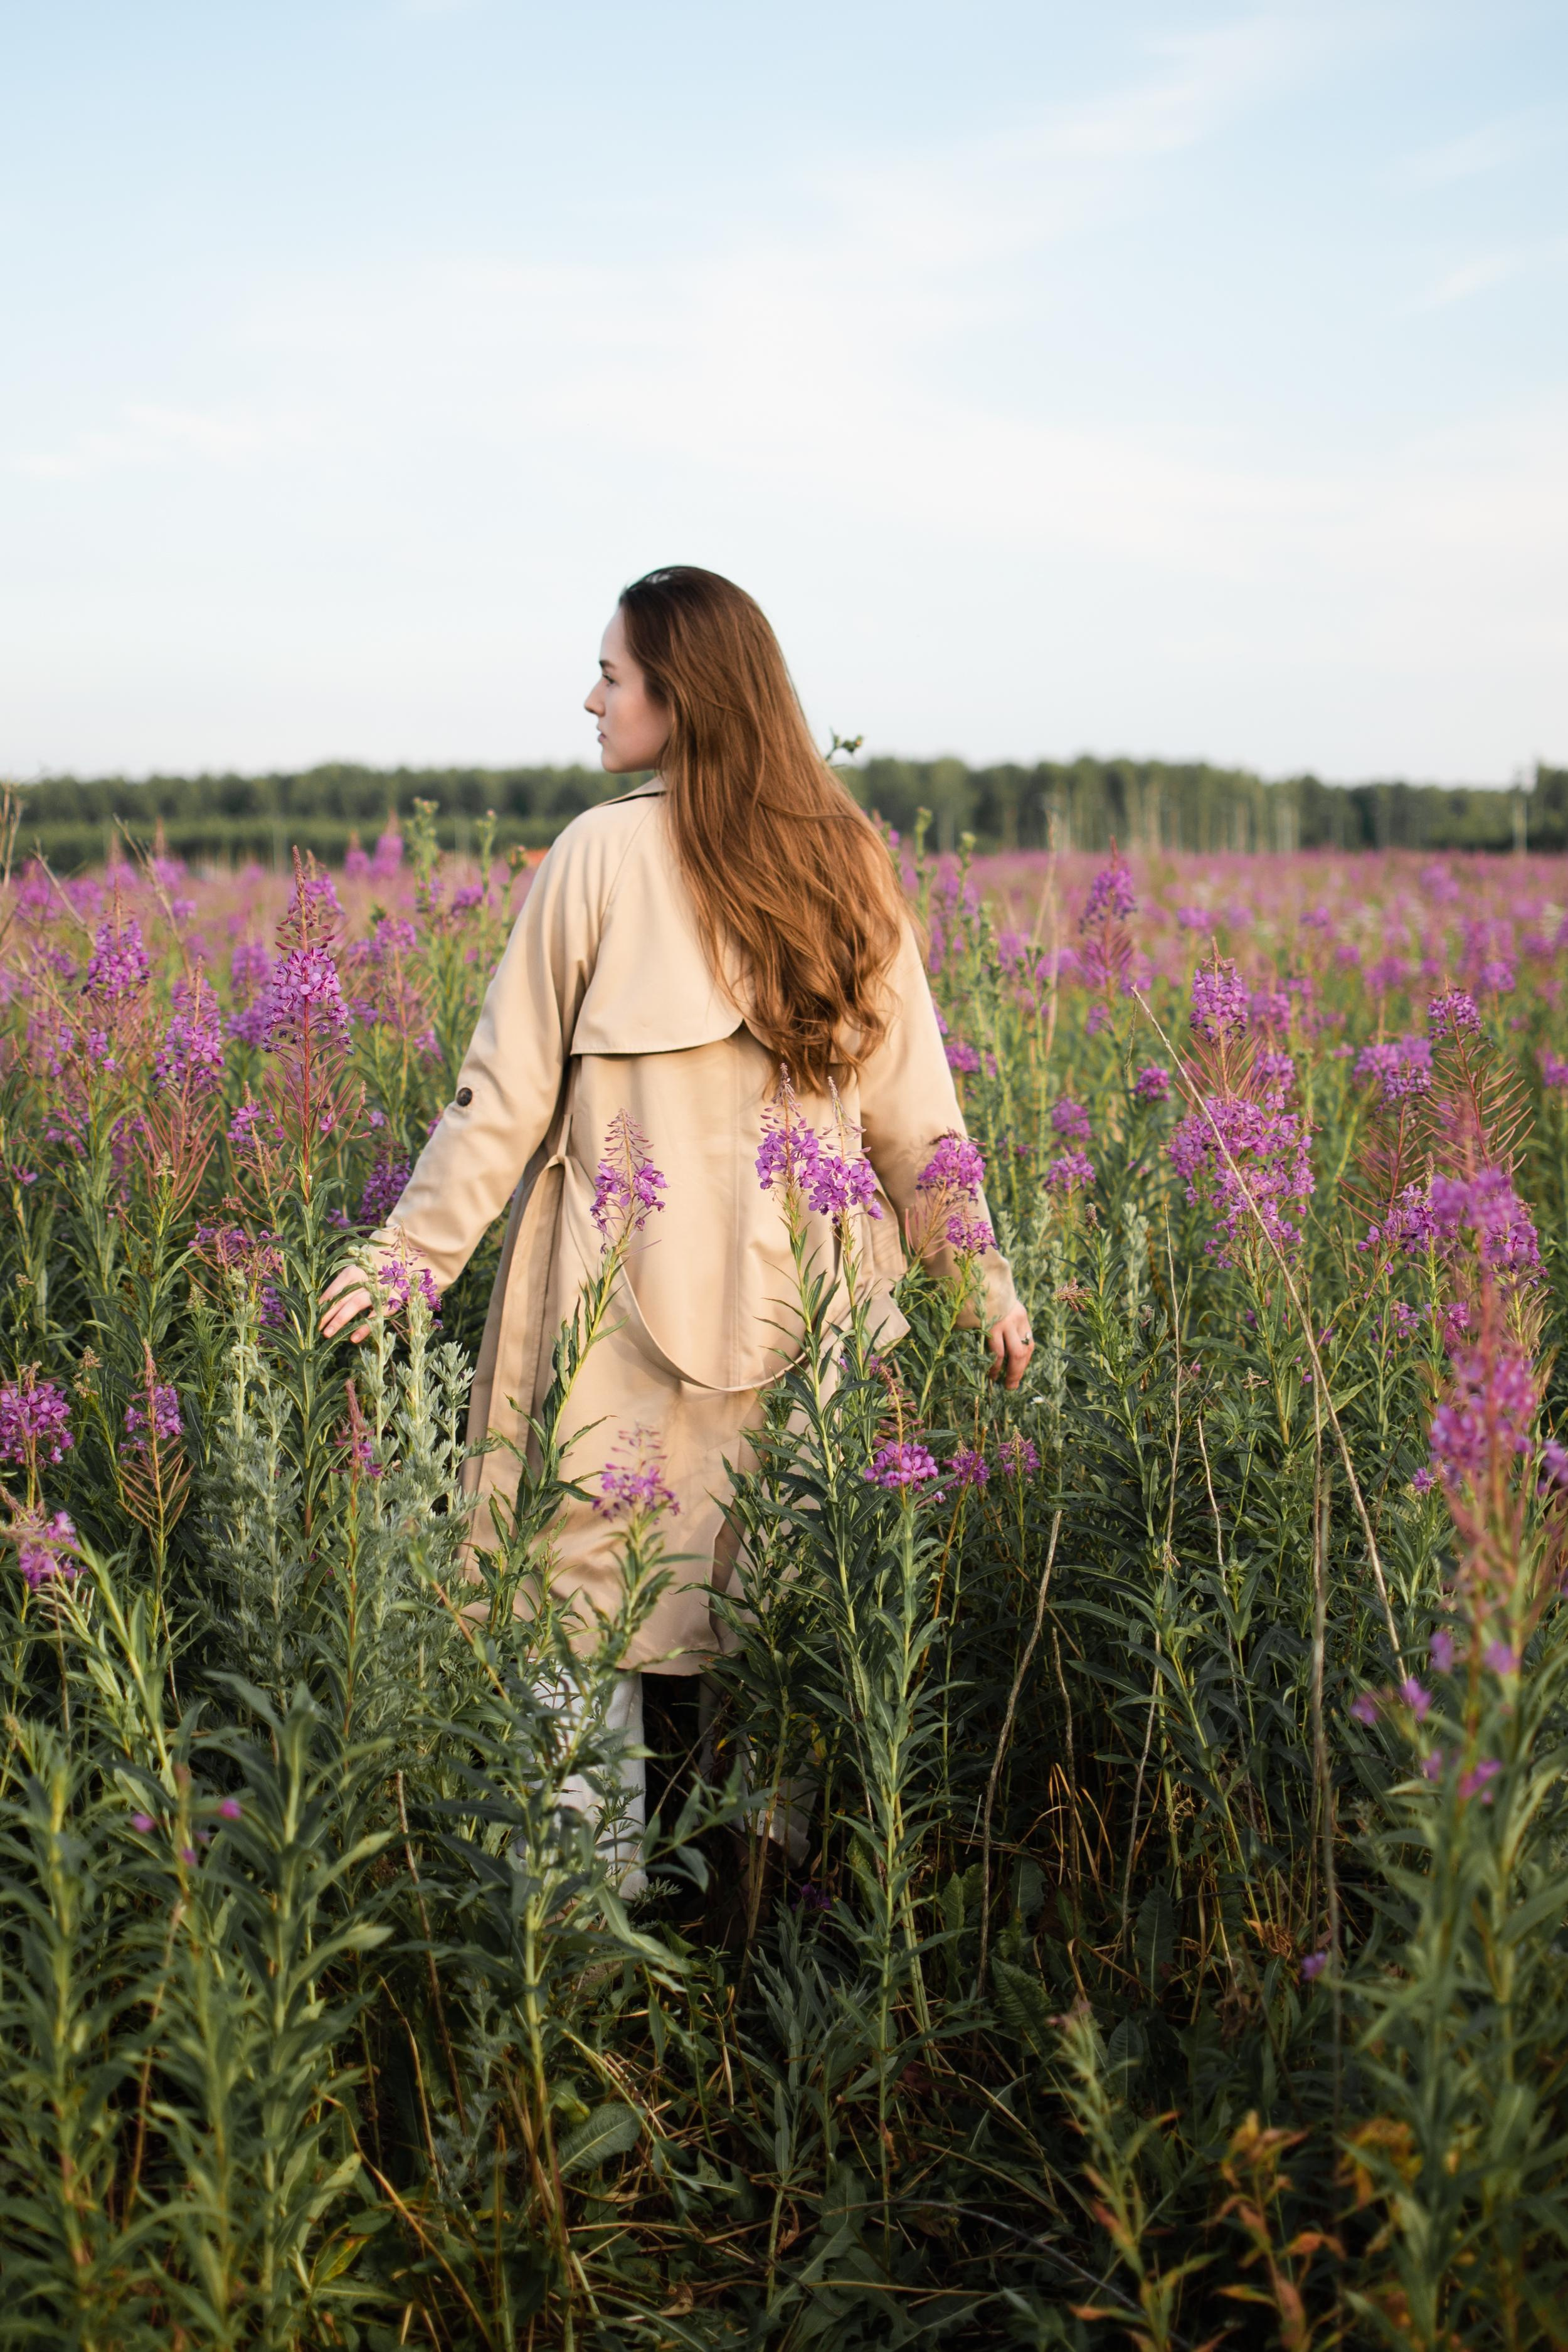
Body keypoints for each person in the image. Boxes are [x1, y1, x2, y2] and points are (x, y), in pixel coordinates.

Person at [320, 565, 1033, 1855]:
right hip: (805, 1315)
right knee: (777, 1610)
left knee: (577, 1606)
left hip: (612, 1314)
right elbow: (920, 1123)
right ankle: (758, 1930)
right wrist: (978, 1282)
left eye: (612, 675)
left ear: (681, 693)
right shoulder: (842, 863)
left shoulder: (598, 857)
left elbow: (499, 1101)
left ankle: (583, 1934)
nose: (592, 700)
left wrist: (405, 1259)